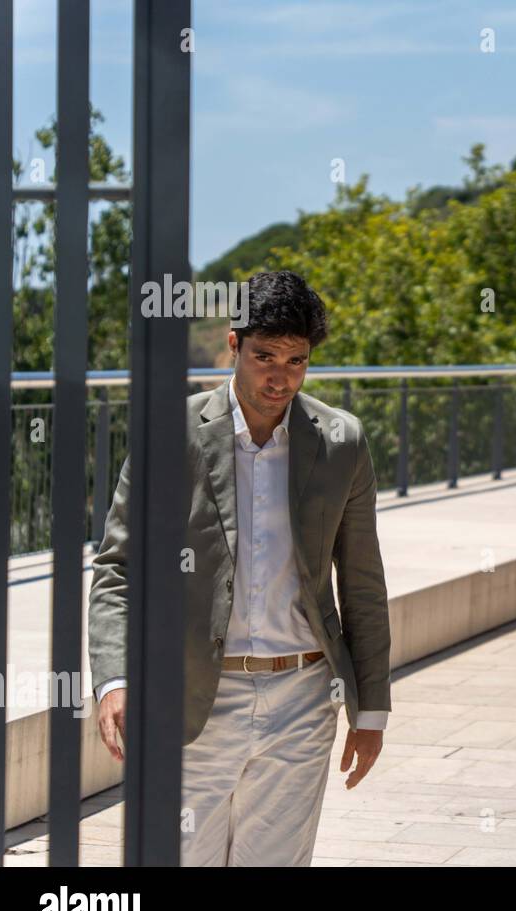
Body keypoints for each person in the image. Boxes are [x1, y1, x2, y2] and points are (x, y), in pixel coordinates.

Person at [88, 270, 392, 866]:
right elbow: (119, 568)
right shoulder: (168, 436)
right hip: (193, 697)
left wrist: (372, 708)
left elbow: (363, 583)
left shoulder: (342, 442)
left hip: (303, 696)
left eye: (297, 361)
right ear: (232, 345)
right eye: (265, 357)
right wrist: (115, 679)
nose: (280, 377)